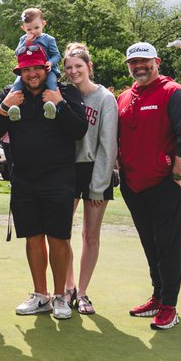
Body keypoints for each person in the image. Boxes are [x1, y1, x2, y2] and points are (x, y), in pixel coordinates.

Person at [0, 43, 88, 319]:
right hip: (24, 180)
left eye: (37, 68)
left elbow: (79, 130)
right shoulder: (10, 95)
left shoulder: (65, 92)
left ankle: (60, 297)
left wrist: (60, 104)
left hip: (59, 178)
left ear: (47, 68)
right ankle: (40, 295)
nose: (32, 74)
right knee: (33, 237)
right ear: (19, 71)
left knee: (58, 237)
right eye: (26, 69)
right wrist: (5, 108)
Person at [118, 43, 181, 330]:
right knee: (150, 242)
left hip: (167, 182)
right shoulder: (125, 96)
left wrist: (176, 176)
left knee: (167, 243)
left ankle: (169, 306)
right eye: (133, 62)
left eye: (144, 61)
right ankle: (157, 295)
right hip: (134, 184)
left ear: (157, 61)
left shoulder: (175, 93)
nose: (139, 66)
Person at [60, 44, 117, 315]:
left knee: (90, 235)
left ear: (89, 67)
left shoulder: (105, 98)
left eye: (78, 66)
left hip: (96, 169)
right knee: (62, 233)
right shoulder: (63, 94)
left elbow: (108, 145)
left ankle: (83, 292)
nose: (73, 72)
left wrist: (99, 185)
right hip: (68, 170)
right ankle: (68, 287)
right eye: (69, 67)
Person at [5, 7, 62, 121]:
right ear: (23, 28)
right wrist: (26, 43)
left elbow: (57, 55)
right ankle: (15, 108)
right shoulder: (23, 39)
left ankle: (52, 107)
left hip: (47, 69)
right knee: (17, 84)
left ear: (43, 24)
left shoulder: (49, 39)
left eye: (37, 27)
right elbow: (17, 53)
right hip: (27, 69)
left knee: (52, 83)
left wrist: (50, 62)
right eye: (29, 29)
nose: (33, 32)